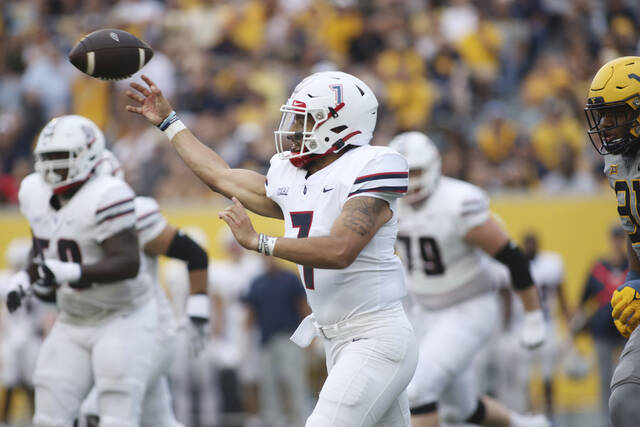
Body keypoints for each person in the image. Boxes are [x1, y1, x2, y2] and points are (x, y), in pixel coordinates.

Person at [126, 72, 419, 426]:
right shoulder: (293, 176)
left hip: (376, 335)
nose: (293, 128)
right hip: (337, 340)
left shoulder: (372, 165)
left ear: (340, 123)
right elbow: (220, 176)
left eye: (304, 118)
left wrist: (260, 242)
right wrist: (170, 124)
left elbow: (341, 249)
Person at [3, 115, 158, 427]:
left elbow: (128, 262)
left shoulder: (107, 194)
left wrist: (68, 273)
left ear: (88, 154)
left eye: (60, 157)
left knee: (114, 414)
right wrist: (25, 278)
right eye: (45, 158)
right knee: (48, 412)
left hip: (120, 317)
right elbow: (44, 248)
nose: (50, 167)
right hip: (73, 319)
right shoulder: (34, 192)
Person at [389, 131, 548, 427]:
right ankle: (529, 425)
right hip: (423, 311)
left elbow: (512, 257)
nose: (410, 182)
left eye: (417, 172)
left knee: (416, 391)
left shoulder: (458, 202)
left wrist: (533, 315)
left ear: (435, 166)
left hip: (468, 308)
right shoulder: (388, 202)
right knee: (461, 410)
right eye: (403, 174)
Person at [77, 149, 211, 427]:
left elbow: (195, 254)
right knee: (160, 420)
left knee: (96, 412)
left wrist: (198, 311)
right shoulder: (73, 221)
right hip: (115, 331)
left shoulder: (135, 214)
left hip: (147, 334)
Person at [584, 55, 640, 427]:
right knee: (626, 398)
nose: (604, 125)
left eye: (615, 114)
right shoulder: (617, 163)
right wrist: (634, 283)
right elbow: (635, 233)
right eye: (601, 116)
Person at [242, 256, 312, 426]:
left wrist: (311, 337)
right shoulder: (257, 282)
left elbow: (302, 306)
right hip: (266, 341)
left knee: (294, 381)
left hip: (289, 338)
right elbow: (251, 313)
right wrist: (245, 341)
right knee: (268, 385)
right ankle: (273, 422)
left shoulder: (290, 279)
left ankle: (302, 421)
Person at [572, 225, 628, 427]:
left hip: (627, 332)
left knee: (627, 378)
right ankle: (607, 420)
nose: (618, 242)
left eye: (621, 238)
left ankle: (627, 417)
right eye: (615, 238)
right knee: (605, 378)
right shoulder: (598, 267)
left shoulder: (632, 267)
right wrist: (574, 327)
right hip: (602, 331)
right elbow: (583, 299)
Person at [0, 237, 48, 423]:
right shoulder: (6, 280)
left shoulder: (36, 281)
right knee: (9, 382)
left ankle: (35, 418)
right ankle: (5, 421)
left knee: (33, 383)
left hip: (32, 336)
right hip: (12, 337)